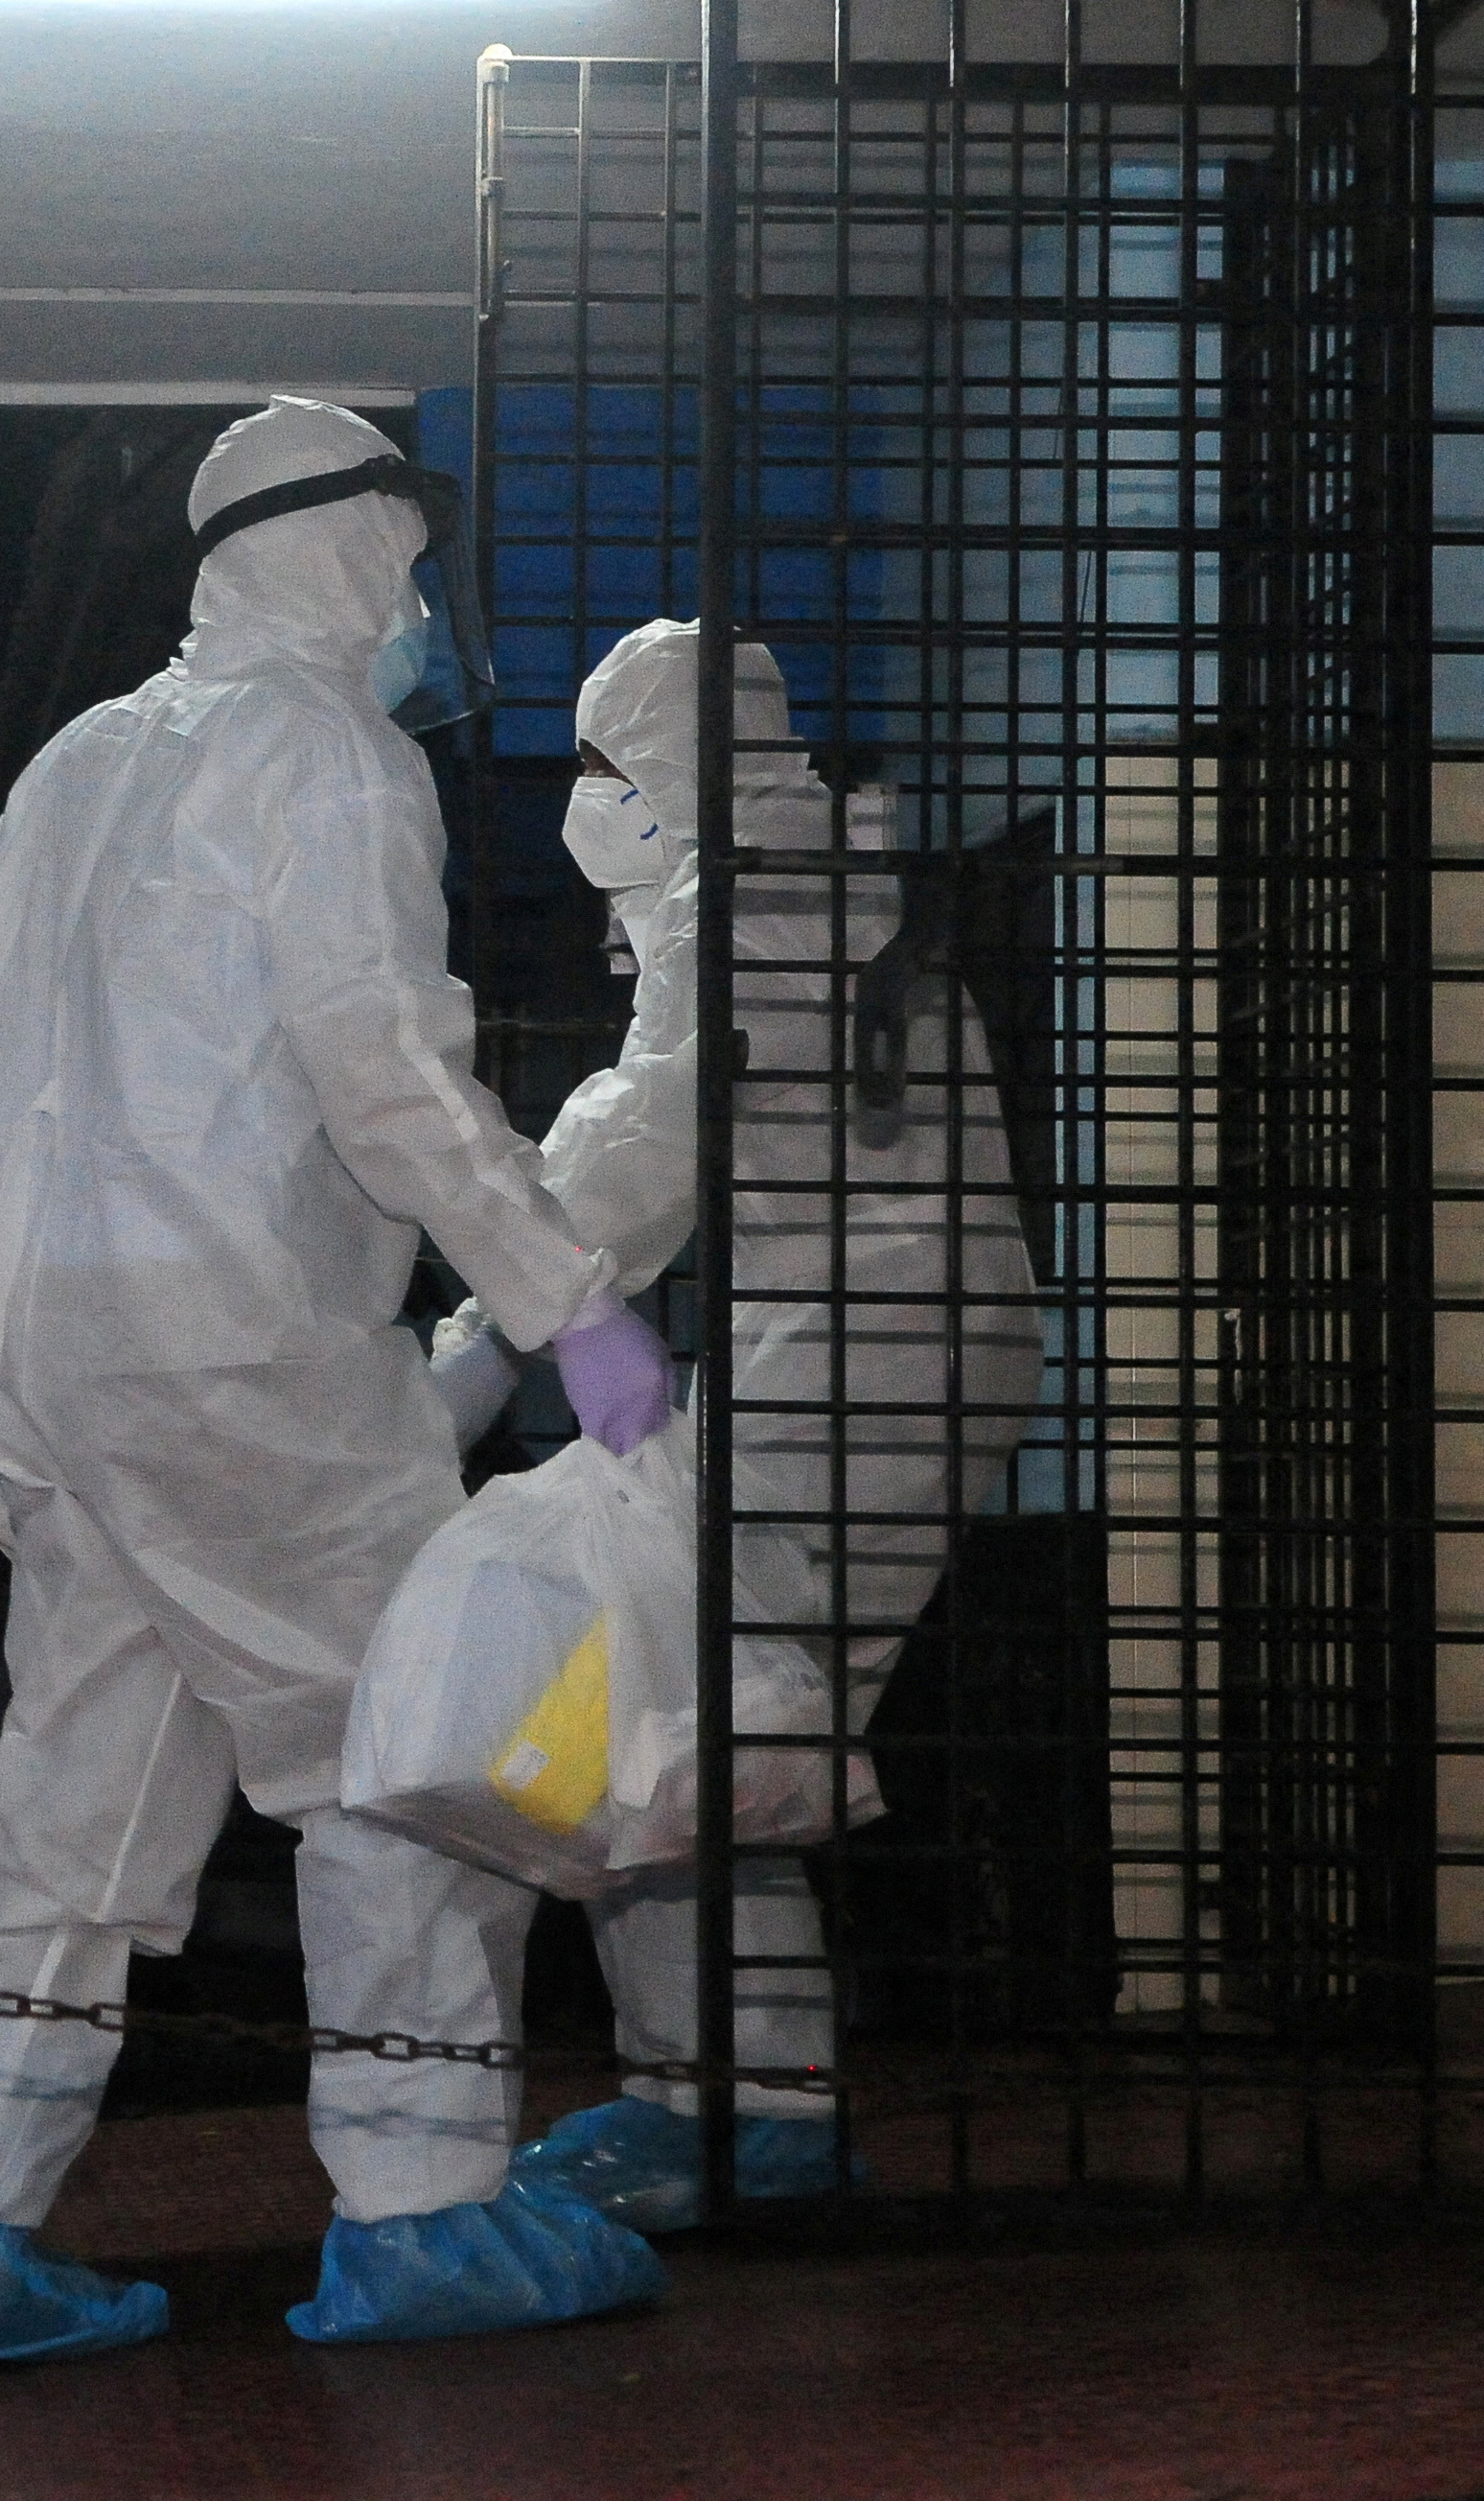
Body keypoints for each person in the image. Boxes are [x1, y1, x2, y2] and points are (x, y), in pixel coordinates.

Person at [0, 399, 676, 2373]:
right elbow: (386, 1079)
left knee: (74, 1811)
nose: (423, 606)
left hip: (53, 1362)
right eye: (408, 559)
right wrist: (564, 1301)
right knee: (410, 1763)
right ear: (352, 549)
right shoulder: (334, 762)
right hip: (252, 1361)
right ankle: (429, 2207)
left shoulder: (88, 752)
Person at [419, 619, 1040, 2241]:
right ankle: (716, 2099)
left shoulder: (751, 895)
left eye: (597, 769)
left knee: (676, 1724)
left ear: (657, 772)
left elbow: (651, 1129)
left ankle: (747, 2113)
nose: (579, 804)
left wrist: (497, 1326)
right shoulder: (802, 874)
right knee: (698, 1722)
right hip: (866, 1347)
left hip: (863, 1357)